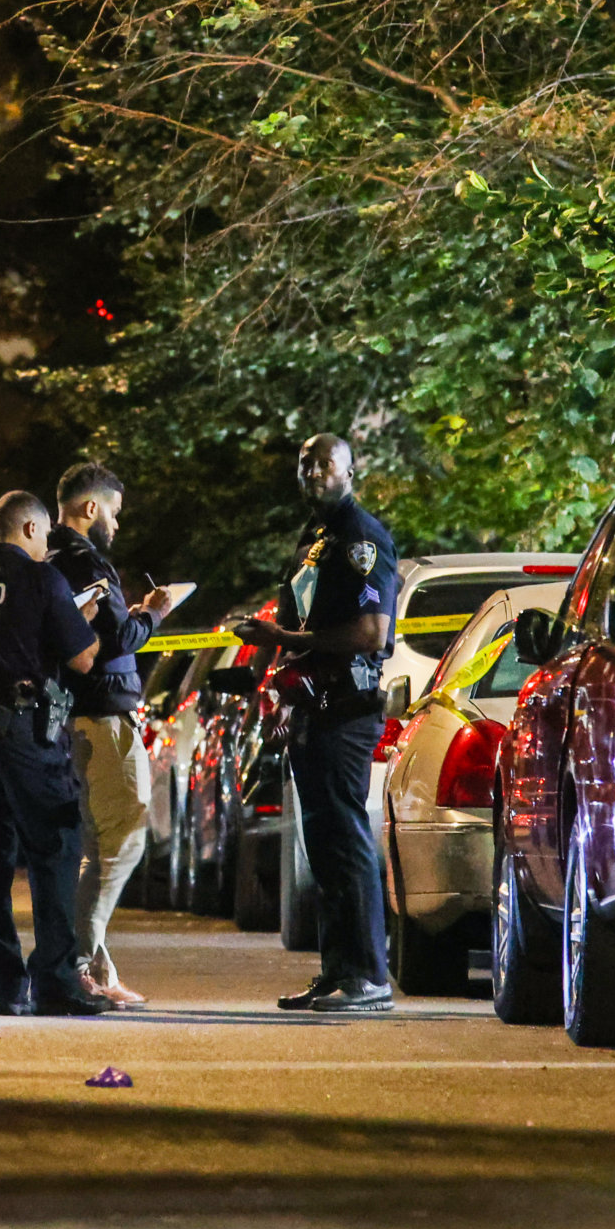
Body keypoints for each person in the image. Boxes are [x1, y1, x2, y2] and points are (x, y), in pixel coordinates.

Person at [232, 433, 400, 1014]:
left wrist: (282, 639)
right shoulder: (317, 540)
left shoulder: (362, 538)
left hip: (347, 709)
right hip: (313, 707)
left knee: (346, 840)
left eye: (324, 464)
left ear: (352, 471)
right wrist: (281, 688)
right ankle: (339, 968)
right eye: (304, 463)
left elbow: (371, 633)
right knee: (323, 845)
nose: (312, 472)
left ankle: (370, 978)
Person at [0, 490, 110, 1017]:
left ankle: (5, 985)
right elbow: (81, 658)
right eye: (45, 535)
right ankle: (55, 978)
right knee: (54, 847)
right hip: (23, 731)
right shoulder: (40, 578)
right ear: (30, 529)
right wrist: (87, 618)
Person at [45, 463, 177, 1008]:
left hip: (77, 718)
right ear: (90, 508)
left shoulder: (50, 558)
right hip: (103, 717)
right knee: (127, 835)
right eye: (115, 514)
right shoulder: (83, 559)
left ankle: (97, 965)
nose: (117, 527)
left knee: (95, 846)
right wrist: (156, 614)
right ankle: (80, 958)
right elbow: (117, 638)